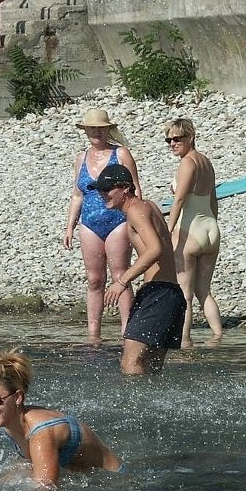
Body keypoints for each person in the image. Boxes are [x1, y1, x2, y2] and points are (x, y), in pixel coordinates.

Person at [0, 348, 122, 489]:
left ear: (18, 397)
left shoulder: (42, 432)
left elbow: (45, 490)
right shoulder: (9, 423)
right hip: (85, 478)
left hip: (114, 483)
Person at [63, 108, 142, 346]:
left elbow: (136, 189)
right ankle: (93, 335)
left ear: (108, 130)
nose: (96, 132)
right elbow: (77, 194)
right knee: (94, 279)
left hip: (118, 220)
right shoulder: (82, 158)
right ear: (85, 130)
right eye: (92, 128)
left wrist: (138, 221)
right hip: (89, 223)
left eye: (100, 128)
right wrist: (69, 226)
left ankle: (128, 332)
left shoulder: (121, 154)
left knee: (120, 275)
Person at [98, 164, 186, 375]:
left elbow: (155, 249)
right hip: (171, 294)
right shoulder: (150, 206)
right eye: (100, 189)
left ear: (125, 188)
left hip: (158, 294)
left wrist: (122, 281)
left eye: (108, 189)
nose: (103, 194)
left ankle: (133, 399)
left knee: (130, 365)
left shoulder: (136, 210)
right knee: (152, 368)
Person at [164, 118, 223, 348]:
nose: (172, 143)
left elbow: (179, 200)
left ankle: (185, 342)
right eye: (168, 140)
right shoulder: (206, 162)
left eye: (177, 138)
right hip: (210, 230)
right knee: (204, 291)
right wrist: (213, 224)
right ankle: (218, 337)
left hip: (190, 231)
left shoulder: (187, 163)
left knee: (185, 293)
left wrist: (167, 231)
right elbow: (213, 199)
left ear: (191, 137)